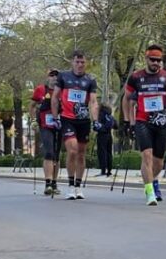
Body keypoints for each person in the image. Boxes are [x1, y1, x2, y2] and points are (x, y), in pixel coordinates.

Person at [123, 44, 166, 206]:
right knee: (147, 155)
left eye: (158, 60)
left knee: (159, 162)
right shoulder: (136, 77)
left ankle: (153, 180)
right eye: (152, 60)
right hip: (143, 121)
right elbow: (126, 99)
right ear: (146, 59)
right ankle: (149, 192)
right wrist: (128, 122)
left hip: (161, 122)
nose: (155, 63)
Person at [51, 50, 100, 200]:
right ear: (72, 62)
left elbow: (93, 101)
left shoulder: (90, 79)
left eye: (82, 62)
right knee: (72, 150)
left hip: (83, 120)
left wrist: (95, 120)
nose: (80, 65)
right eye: (77, 62)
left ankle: (78, 186)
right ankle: (71, 185)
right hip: (67, 119)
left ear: (86, 63)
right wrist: (55, 117)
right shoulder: (64, 77)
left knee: (81, 153)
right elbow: (55, 97)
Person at [30, 68, 61, 195]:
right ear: (48, 77)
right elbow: (32, 106)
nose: (54, 78)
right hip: (45, 125)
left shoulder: (63, 90)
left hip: (59, 126)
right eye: (52, 75)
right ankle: (48, 184)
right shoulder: (40, 89)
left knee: (57, 155)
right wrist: (33, 120)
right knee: (49, 152)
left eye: (56, 75)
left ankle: (54, 183)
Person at [95, 104, 118, 176]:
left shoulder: (101, 115)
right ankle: (109, 170)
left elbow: (96, 126)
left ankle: (103, 170)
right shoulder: (110, 116)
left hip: (102, 136)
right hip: (109, 136)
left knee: (102, 152)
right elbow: (116, 126)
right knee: (109, 153)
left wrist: (98, 128)